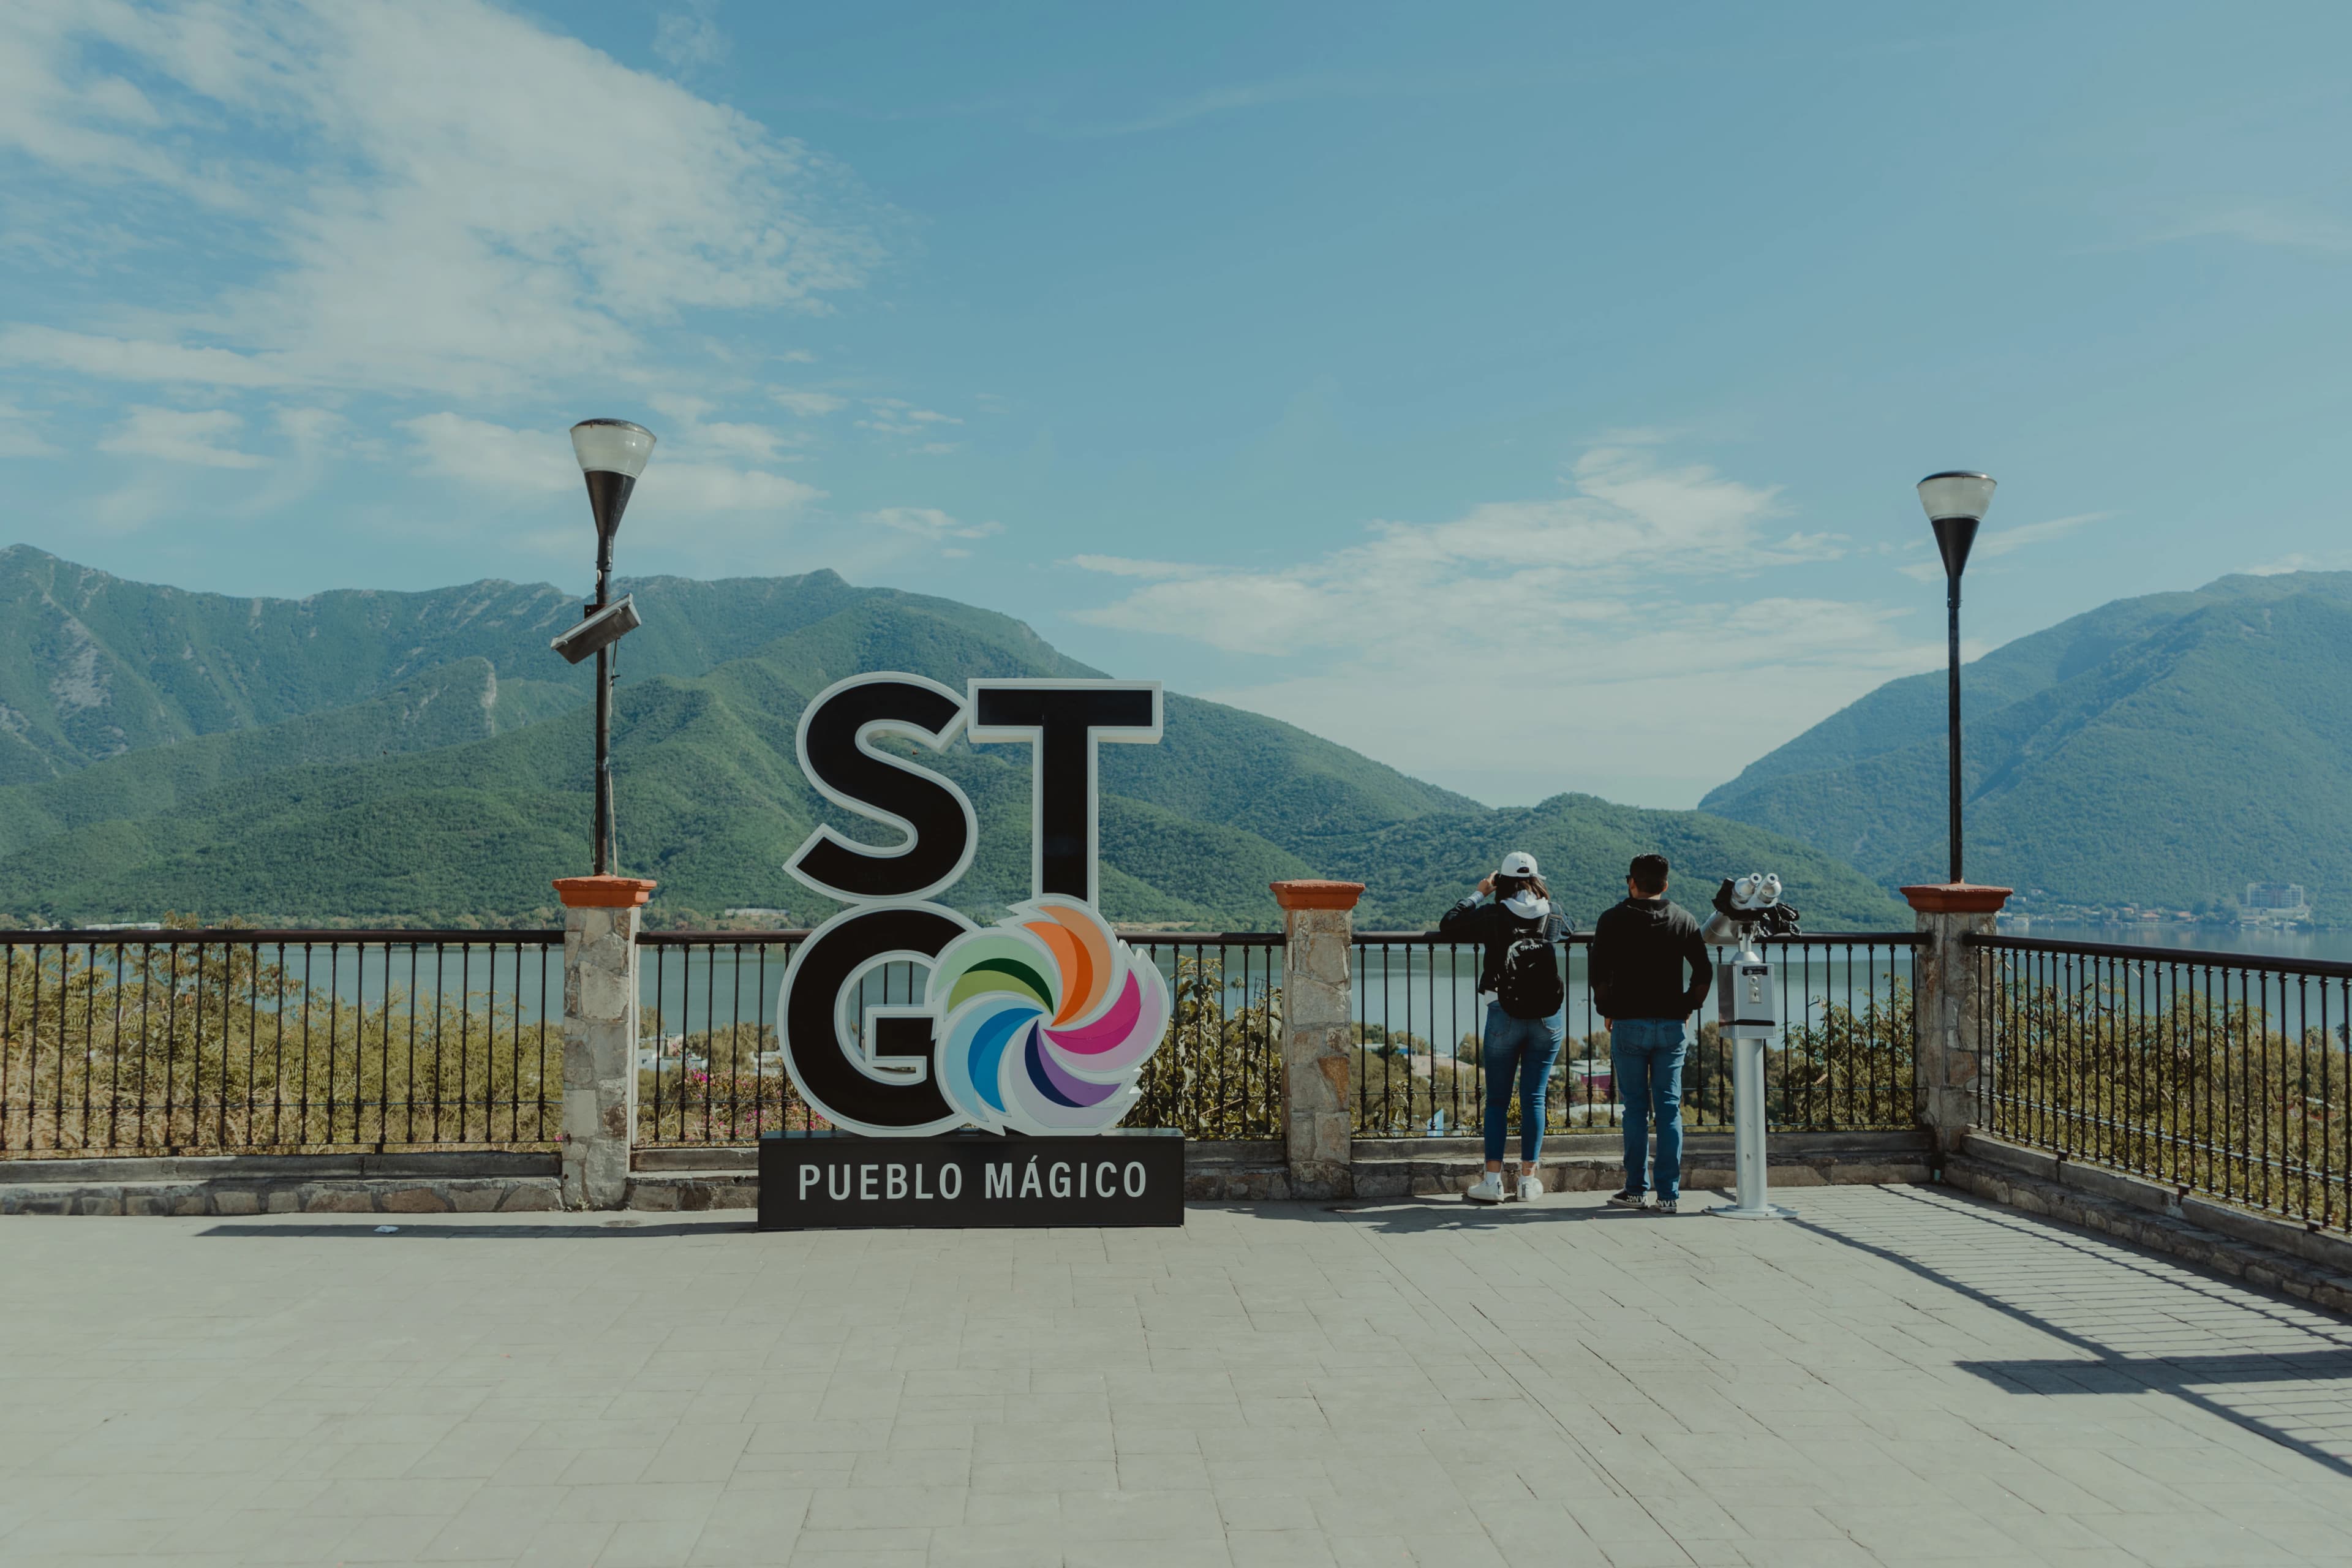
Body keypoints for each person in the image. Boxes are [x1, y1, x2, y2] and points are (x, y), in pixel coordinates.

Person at [1438, 850, 1572, 1204]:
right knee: (1535, 1098)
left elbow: (1448, 923)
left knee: (1497, 1100)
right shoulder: (1554, 912)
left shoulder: (1493, 913)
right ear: (1537, 880)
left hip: (1503, 1012)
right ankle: (1528, 1181)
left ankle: (1493, 1181)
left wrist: (1480, 891)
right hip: (1547, 1016)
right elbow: (1569, 927)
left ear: (1503, 882)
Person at [1590, 853, 1711, 1214]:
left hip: (1628, 1025)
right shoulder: (1684, 920)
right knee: (1670, 1109)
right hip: (1672, 1027)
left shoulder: (1612, 920)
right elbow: (1703, 973)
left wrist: (1609, 1009)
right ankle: (1669, 1195)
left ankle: (1635, 1189)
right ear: (1665, 885)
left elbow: (1598, 973)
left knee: (1634, 1109)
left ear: (1632, 883)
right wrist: (1686, 1006)